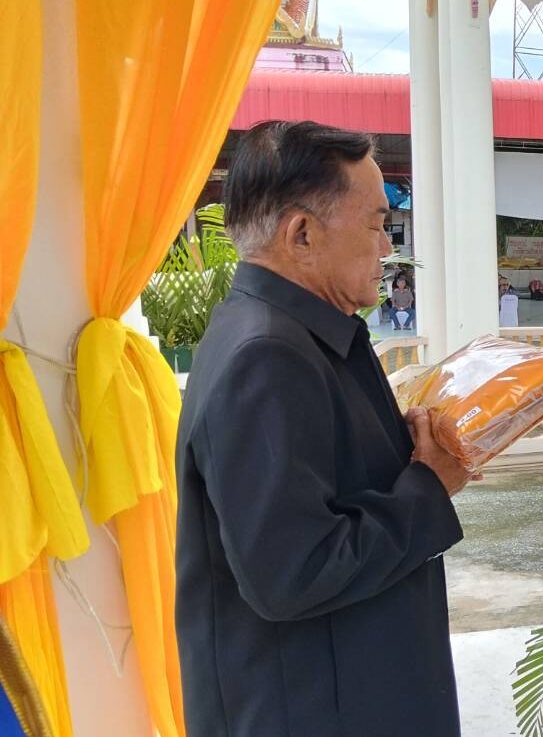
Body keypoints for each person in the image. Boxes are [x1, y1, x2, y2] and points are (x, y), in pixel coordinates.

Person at [176, 121, 474, 737]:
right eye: (375, 225)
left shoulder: (292, 331)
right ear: (302, 234)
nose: (387, 247)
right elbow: (292, 573)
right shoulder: (266, 356)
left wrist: (403, 444)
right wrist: (428, 485)